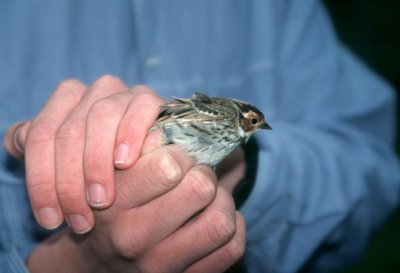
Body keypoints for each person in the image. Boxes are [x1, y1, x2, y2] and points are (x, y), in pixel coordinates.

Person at [1, 1, 399, 272]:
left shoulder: (279, 12)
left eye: (257, 127)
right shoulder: (222, 118)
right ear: (242, 118)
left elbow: (370, 160)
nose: (256, 129)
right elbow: (173, 117)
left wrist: (248, 174)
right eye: (255, 123)